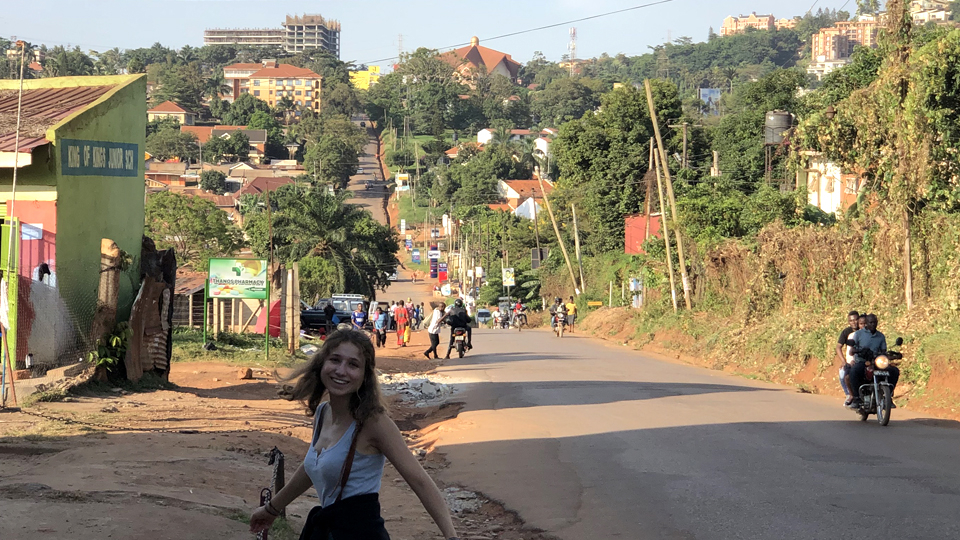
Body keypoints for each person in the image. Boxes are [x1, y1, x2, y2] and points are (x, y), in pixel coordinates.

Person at [249, 330, 460, 540]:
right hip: (328, 531)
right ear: (321, 364)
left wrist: (452, 537)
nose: (341, 371)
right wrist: (272, 509)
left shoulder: (373, 423)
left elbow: (419, 480)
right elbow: (312, 467)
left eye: (353, 364)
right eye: (335, 360)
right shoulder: (324, 413)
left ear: (364, 375)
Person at [846, 313, 900, 408]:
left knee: (894, 371)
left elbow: (884, 351)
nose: (873, 324)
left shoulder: (881, 336)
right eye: (870, 322)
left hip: (877, 362)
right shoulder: (858, 334)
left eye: (875, 322)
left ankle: (888, 396)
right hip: (863, 361)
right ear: (866, 323)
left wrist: (892, 355)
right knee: (854, 371)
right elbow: (851, 350)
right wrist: (859, 351)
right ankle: (857, 398)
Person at [835, 311, 860, 405]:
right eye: (851, 320)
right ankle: (849, 394)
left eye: (855, 320)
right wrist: (843, 361)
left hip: (863, 360)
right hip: (850, 361)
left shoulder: (864, 330)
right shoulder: (846, 332)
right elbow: (838, 347)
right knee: (843, 373)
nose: (854, 322)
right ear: (848, 322)